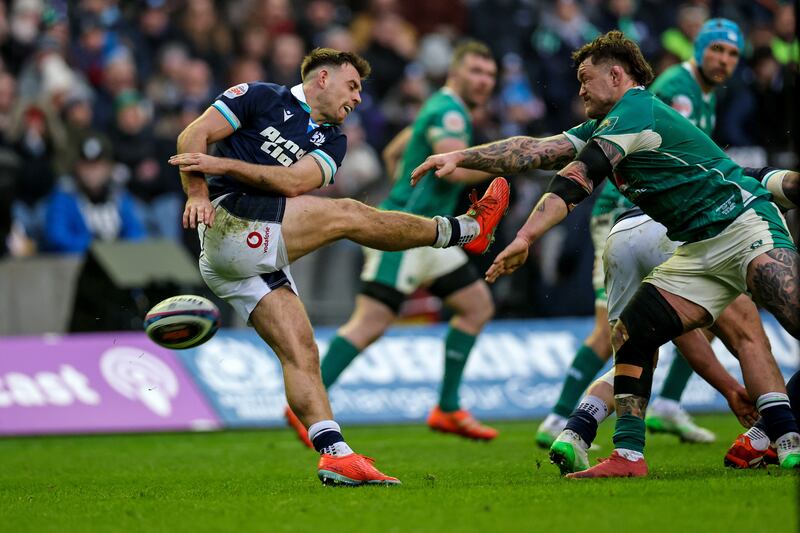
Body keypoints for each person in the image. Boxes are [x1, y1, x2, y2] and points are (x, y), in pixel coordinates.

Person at [411, 31, 800, 477]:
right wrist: (460, 156)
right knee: (632, 333)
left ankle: (783, 435)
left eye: (585, 78)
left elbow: (580, 176)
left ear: (616, 75)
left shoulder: (636, 106)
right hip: (697, 249)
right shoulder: (609, 123)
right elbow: (536, 151)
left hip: (743, 224)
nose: (578, 89)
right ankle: (629, 456)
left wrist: (524, 237)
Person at [169, 48, 510, 486]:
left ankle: (336, 454)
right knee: (348, 214)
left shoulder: (334, 140)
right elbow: (191, 138)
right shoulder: (258, 96)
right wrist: (197, 193)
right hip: (228, 219)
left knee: (302, 352)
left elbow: (294, 182)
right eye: (352, 87)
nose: (358, 99)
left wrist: (223, 163)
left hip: (247, 254)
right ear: (322, 79)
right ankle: (464, 230)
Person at [536, 18, 744, 448]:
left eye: (732, 54)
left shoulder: (703, 95)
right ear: (699, 48)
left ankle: (658, 405)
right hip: (628, 214)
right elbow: (624, 146)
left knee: (692, 313)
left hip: (647, 215)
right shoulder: (677, 90)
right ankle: (562, 417)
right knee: (627, 326)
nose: (723, 60)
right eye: (717, 50)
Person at [288, 41, 500, 446]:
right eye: (475, 71)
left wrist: (403, 186)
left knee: (476, 306)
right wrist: (504, 165)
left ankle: (449, 407)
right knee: (370, 323)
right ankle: (305, 404)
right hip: (406, 234)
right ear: (454, 73)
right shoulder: (450, 111)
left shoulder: (435, 108)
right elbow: (452, 169)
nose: (484, 81)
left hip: (430, 234)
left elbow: (395, 150)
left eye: (489, 75)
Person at [547, 166, 798, 475]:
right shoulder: (742, 186)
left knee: (635, 354)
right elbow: (784, 183)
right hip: (672, 231)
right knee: (748, 336)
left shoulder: (665, 151)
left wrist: (729, 388)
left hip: (622, 232)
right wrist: (732, 390)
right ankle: (786, 440)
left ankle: (577, 431)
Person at [43, 134, 145, 253]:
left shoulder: (119, 194)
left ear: (108, 168)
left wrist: (119, 249)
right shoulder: (65, 195)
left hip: (117, 258)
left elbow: (136, 232)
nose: (91, 172)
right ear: (77, 167)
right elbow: (57, 237)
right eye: (86, 166)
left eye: (97, 166)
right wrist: (95, 248)